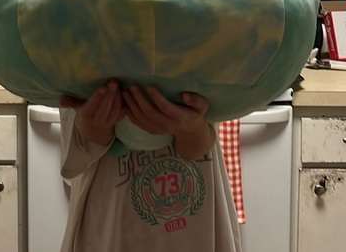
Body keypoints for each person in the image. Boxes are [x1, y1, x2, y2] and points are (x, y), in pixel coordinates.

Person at [59, 79, 243, 252]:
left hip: (193, 226)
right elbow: (82, 147)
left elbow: (199, 145)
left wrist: (191, 130)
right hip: (112, 220)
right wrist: (97, 120)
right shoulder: (79, 62)